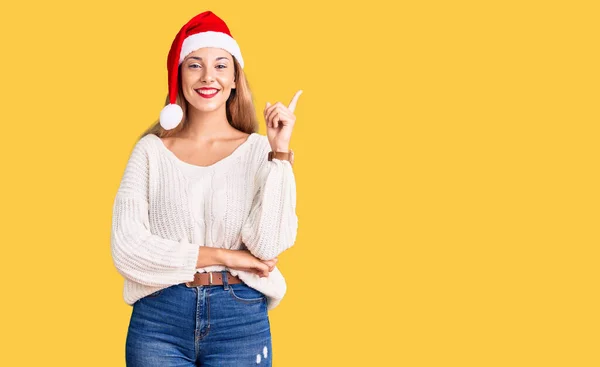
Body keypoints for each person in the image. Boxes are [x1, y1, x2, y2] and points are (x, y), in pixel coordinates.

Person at [110, 10, 301, 366]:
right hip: (159, 318)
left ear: (234, 79)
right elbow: (128, 249)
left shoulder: (259, 151)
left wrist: (279, 153)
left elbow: (267, 246)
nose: (208, 76)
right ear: (179, 76)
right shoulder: (151, 152)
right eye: (194, 65)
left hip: (239, 318)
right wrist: (227, 257)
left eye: (220, 65)